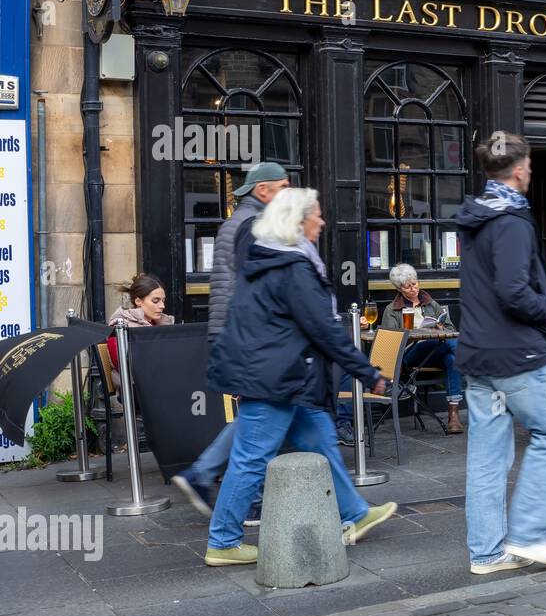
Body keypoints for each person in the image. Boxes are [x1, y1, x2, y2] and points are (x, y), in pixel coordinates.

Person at [203, 188, 397, 566]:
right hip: (278, 378)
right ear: (298, 220)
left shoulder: (267, 260)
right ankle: (223, 541)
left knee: (322, 442)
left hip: (282, 375)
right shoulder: (293, 267)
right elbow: (324, 329)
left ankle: (354, 515)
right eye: (317, 215)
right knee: (250, 459)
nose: (322, 222)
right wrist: (367, 371)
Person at [454, 131, 546, 574]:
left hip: (478, 354)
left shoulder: (475, 218)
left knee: (487, 456)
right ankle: (529, 534)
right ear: (522, 170)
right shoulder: (510, 220)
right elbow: (512, 290)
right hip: (516, 355)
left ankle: (487, 552)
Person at [172, 163, 290, 518]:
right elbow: (256, 288)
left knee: (264, 414)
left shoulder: (236, 222)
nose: (289, 192)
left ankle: (219, 480)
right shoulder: (254, 225)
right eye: (283, 186)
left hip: (236, 334)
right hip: (248, 336)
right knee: (263, 415)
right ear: (263, 190)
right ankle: (220, 482)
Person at [336, 264, 463, 439]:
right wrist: (416, 333)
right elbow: (391, 342)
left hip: (435, 352)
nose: (414, 288)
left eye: (415, 283)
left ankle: (453, 413)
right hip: (410, 354)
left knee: (451, 357)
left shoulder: (431, 303)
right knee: (453, 347)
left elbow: (450, 328)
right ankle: (469, 370)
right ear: (399, 289)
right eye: (408, 286)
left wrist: (439, 326)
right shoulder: (392, 310)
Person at [106, 273, 174, 380]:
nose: (162, 306)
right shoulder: (121, 328)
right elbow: (126, 368)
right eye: (155, 301)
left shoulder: (162, 324)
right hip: (137, 390)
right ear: (138, 301)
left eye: (163, 300)